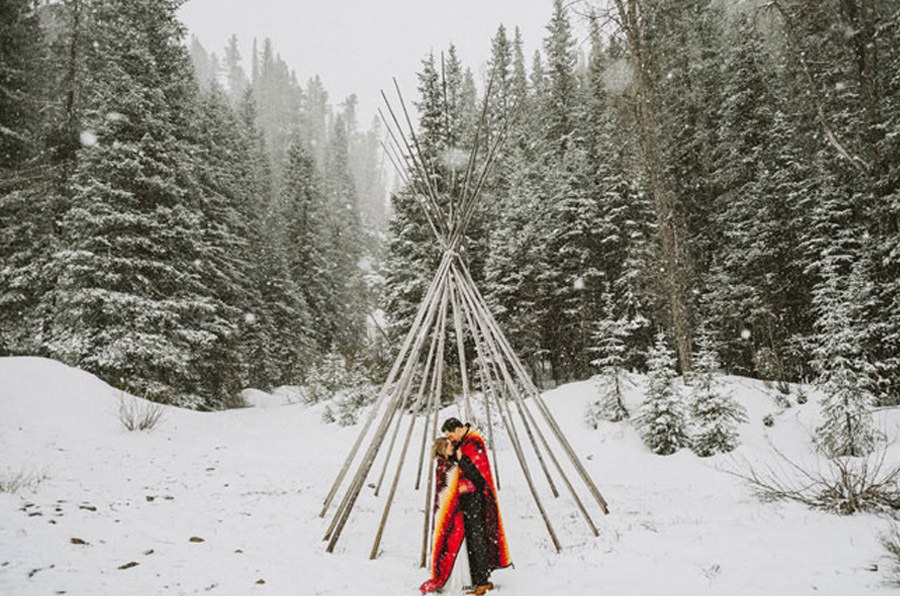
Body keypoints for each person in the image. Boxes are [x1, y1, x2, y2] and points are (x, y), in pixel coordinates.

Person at [442, 417, 511, 596]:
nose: (451, 439)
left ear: (458, 429)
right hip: (467, 498)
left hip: (476, 499)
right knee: (472, 539)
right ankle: (478, 578)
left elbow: (478, 476)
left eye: (451, 434)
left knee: (477, 538)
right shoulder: (464, 442)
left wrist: (461, 459)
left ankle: (481, 581)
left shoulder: (473, 442)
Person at [420, 437, 472, 594]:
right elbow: (460, 488)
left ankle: (451, 579)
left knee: (446, 544)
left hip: (443, 511)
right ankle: (456, 581)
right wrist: (471, 484)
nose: (452, 448)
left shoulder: (441, 466)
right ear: (443, 449)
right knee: (454, 543)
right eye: (449, 446)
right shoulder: (450, 467)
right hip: (452, 512)